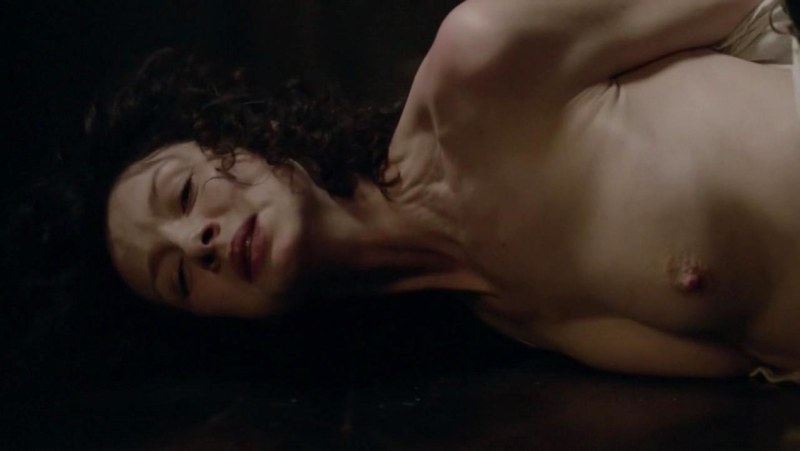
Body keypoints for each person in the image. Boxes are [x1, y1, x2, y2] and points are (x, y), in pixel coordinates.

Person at [96, 0, 800, 380]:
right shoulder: (508, 318)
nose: (198, 240)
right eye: (178, 277)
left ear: (240, 138)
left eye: (182, 194)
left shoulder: (479, 68)